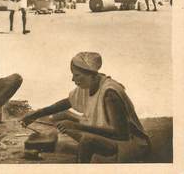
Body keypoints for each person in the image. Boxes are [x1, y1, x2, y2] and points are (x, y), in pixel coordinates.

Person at [21, 52, 151, 163]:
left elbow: (121, 134)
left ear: (92, 75)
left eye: (77, 75)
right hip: (110, 137)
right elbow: (65, 103)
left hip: (129, 145)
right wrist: (35, 115)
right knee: (61, 116)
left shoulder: (110, 94)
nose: (73, 79)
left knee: (87, 141)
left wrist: (77, 126)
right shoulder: (87, 85)